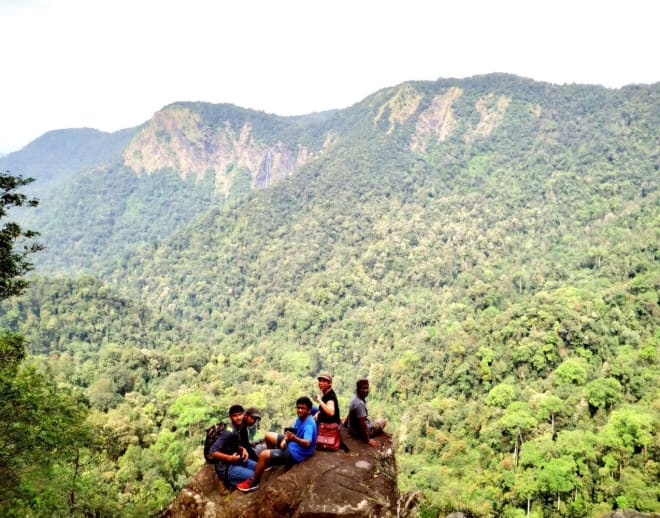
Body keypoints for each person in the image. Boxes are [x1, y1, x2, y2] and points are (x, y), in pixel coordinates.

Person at [236, 397, 317, 492]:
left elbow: (307, 443)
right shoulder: (301, 418)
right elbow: (292, 432)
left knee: (263, 454)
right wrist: (285, 440)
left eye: (303, 408)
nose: (299, 410)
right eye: (298, 407)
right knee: (268, 436)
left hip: (296, 454)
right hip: (292, 443)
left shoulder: (309, 425)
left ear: (309, 410)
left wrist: (293, 439)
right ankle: (272, 462)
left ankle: (254, 482)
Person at [208, 404, 256, 490]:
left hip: (236, 460)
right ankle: (232, 482)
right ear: (230, 417)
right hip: (226, 467)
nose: (238, 418)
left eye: (240, 415)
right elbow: (212, 451)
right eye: (235, 416)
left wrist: (242, 449)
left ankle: (237, 477)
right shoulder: (228, 432)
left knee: (258, 468)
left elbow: (232, 443)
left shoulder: (239, 427)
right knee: (254, 476)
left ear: (243, 415)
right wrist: (230, 458)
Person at [346, 378, 386, 448]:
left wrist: (346, 424)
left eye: (367, 388)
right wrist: (367, 440)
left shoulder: (354, 399)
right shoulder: (360, 404)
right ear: (358, 389)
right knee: (382, 421)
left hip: (352, 429)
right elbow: (363, 425)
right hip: (359, 433)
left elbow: (350, 414)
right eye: (363, 388)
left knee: (375, 421)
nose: (366, 391)